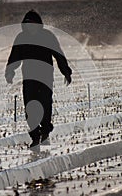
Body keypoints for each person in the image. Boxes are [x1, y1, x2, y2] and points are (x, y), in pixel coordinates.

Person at [5, 10, 72, 148]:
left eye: (32, 24)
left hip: (46, 77)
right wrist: (10, 72)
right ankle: (35, 136)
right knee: (30, 108)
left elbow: (58, 54)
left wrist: (66, 72)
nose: (30, 27)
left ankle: (45, 131)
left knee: (45, 106)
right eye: (27, 24)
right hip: (29, 79)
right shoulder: (21, 38)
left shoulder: (47, 36)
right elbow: (15, 57)